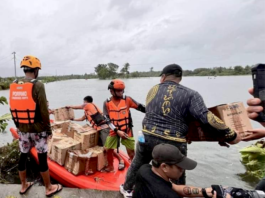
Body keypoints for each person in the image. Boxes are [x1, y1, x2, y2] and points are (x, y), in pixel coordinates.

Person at [120, 64, 241, 197]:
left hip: (147, 136)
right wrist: (230, 134)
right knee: (177, 173)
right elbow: (206, 118)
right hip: (173, 141)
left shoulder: (153, 89)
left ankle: (127, 189)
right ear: (180, 78)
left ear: (163, 77)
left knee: (138, 163)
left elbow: (151, 112)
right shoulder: (191, 94)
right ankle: (179, 195)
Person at [9, 55, 62, 197]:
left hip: (23, 128)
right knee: (42, 157)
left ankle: (23, 185)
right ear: (36, 70)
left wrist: (18, 126)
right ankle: (49, 188)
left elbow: (12, 108)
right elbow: (44, 110)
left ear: (24, 69)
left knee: (23, 155)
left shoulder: (14, 84)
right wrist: (48, 129)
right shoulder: (38, 85)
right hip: (38, 129)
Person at [133, 143, 219, 198]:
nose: (183, 169)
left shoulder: (144, 170)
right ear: (164, 167)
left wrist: (206, 191)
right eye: (179, 166)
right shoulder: (168, 195)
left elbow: (176, 188)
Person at [66, 95, 123, 172]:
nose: (83, 104)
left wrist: (69, 106)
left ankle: (120, 160)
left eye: (83, 102)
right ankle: (105, 162)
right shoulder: (89, 110)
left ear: (86, 101)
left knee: (108, 147)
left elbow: (78, 107)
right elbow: (82, 119)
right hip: (100, 130)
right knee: (102, 147)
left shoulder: (88, 105)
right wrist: (73, 119)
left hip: (104, 129)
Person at [103, 79, 146, 171]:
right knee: (108, 150)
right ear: (111, 91)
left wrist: (153, 111)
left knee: (131, 153)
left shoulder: (127, 99)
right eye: (118, 90)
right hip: (113, 131)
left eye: (122, 90)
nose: (121, 92)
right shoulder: (106, 103)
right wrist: (116, 131)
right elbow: (107, 120)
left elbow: (141, 107)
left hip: (127, 130)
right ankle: (110, 167)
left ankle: (135, 170)